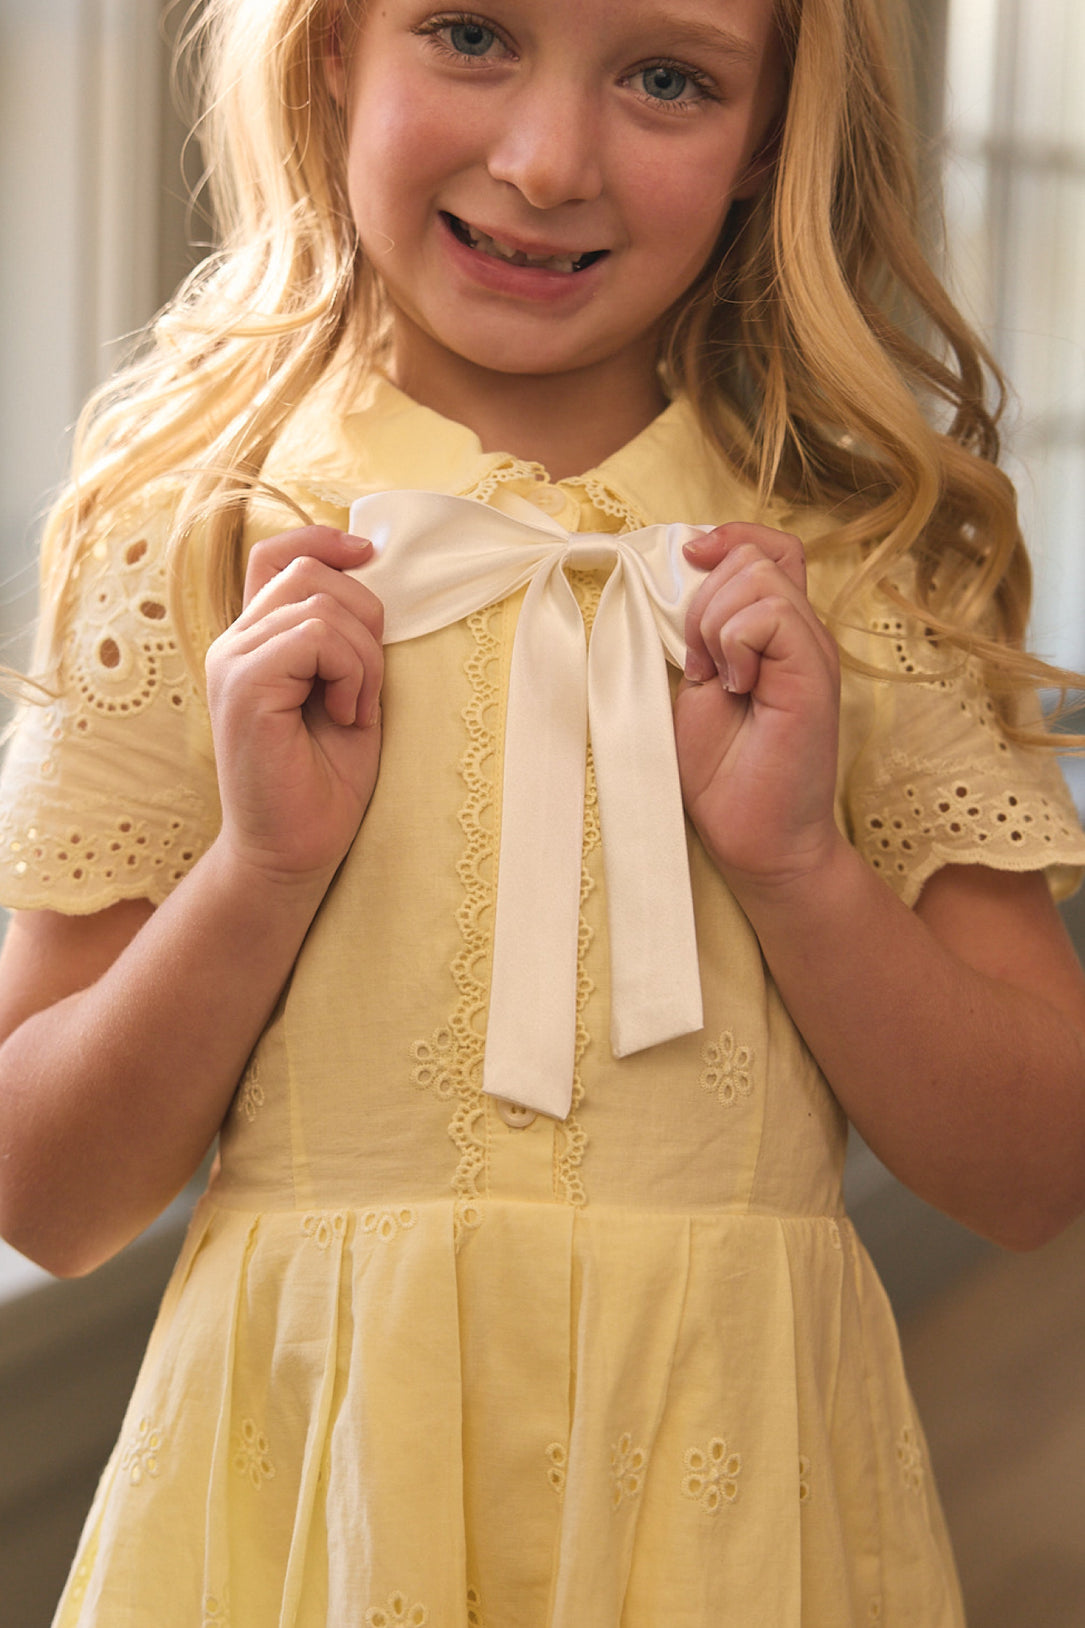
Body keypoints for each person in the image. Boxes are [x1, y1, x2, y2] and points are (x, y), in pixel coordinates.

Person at [2, 0, 1085, 1621]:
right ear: (331, 51)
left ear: (769, 135)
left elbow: (1031, 1171)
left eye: (667, 77)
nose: (546, 162)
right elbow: (47, 1195)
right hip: (312, 1502)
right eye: (471, 34)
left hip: (731, 1495)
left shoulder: (866, 573)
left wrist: (798, 869)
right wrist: (259, 871)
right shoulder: (192, 548)